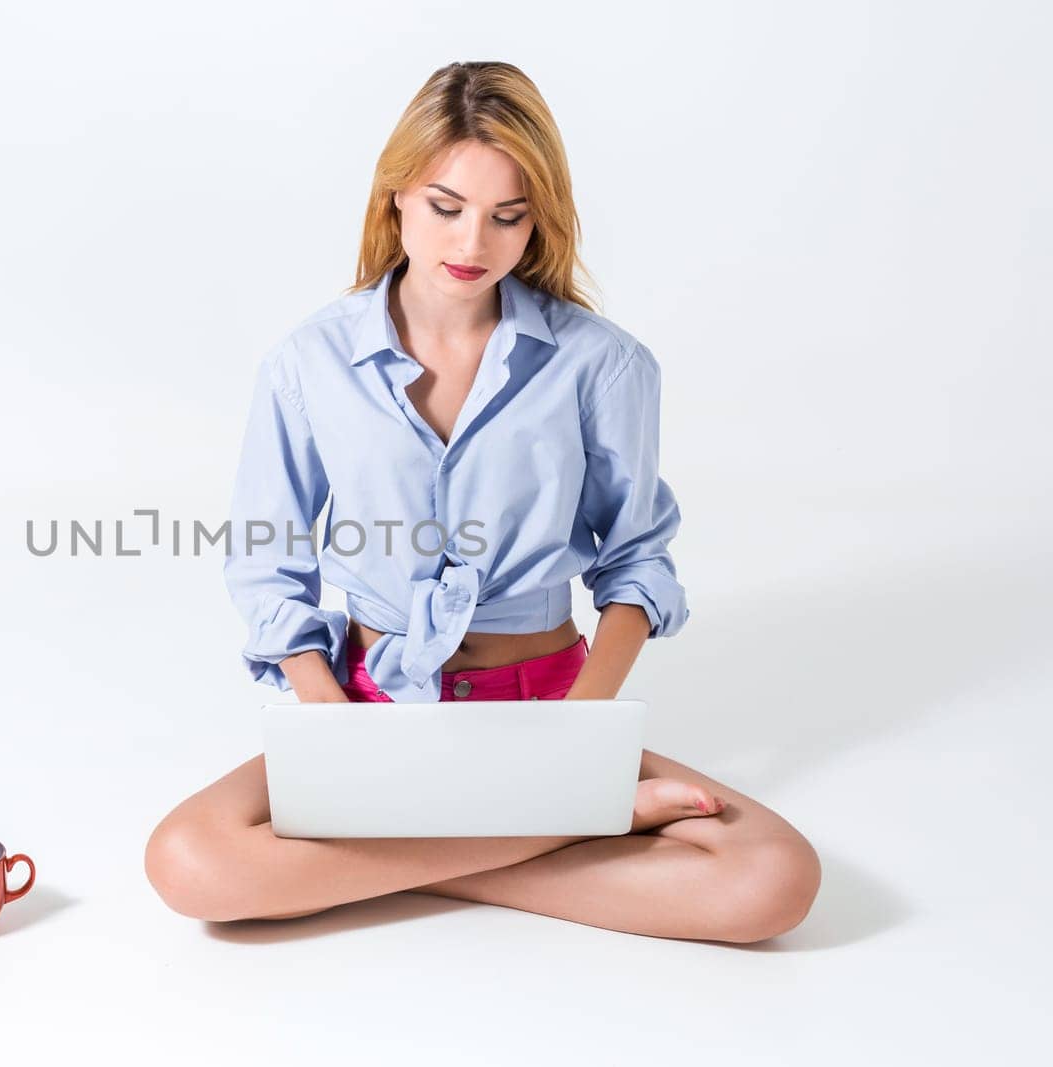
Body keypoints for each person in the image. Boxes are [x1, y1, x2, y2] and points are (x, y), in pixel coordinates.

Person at [144, 61, 820, 942]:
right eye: (445, 207)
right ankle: (562, 836)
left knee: (775, 877)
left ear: (539, 217)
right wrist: (338, 732)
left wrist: (580, 745)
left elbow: (637, 561)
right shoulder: (307, 363)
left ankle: (388, 866)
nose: (473, 244)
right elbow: (268, 562)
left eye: (508, 216)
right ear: (395, 198)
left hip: (547, 703)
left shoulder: (601, 364)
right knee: (187, 860)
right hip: (368, 706)